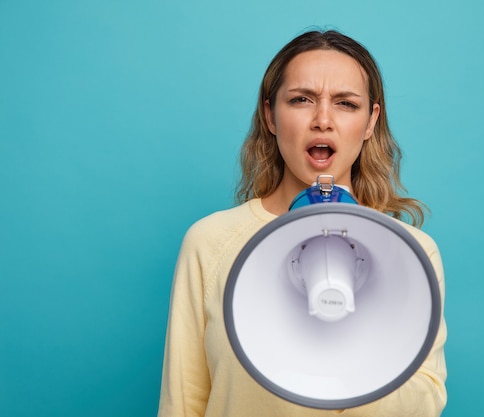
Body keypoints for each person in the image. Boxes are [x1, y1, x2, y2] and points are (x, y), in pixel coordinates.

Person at [158, 29, 447, 417]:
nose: (323, 120)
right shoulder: (210, 242)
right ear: (270, 115)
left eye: (345, 103)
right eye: (301, 100)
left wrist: (349, 344)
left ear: (369, 121)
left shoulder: (410, 252)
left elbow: (425, 403)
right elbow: (183, 403)